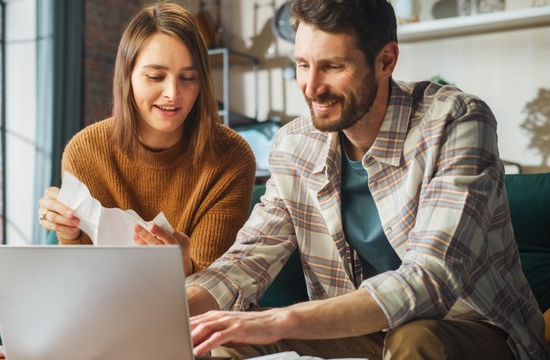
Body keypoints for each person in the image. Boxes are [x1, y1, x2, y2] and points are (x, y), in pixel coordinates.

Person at [185, 0, 549, 359]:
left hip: (471, 327)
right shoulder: (294, 146)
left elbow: (432, 278)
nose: (311, 87)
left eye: (332, 66)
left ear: (386, 61)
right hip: (361, 333)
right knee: (222, 340)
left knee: (415, 338)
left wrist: (282, 319)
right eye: (302, 65)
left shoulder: (455, 121)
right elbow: (247, 260)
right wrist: (174, 308)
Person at [37, 2, 256, 276]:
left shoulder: (231, 156)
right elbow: (80, 278)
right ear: (127, 76)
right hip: (106, 309)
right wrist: (65, 228)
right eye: (155, 76)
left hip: (197, 313)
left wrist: (183, 266)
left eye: (188, 78)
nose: (173, 93)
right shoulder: (85, 152)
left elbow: (216, 287)